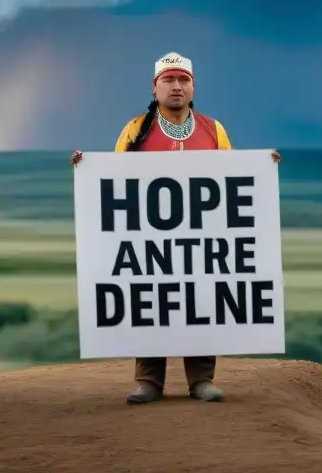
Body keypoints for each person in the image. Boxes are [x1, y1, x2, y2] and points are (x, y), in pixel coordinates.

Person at [72, 51, 280, 405]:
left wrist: (263, 167)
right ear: (155, 88)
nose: (176, 86)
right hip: (148, 235)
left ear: (193, 87)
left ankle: (201, 380)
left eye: (183, 80)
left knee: (201, 297)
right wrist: (85, 167)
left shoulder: (213, 130)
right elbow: (115, 178)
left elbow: (231, 178)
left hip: (200, 235)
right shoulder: (136, 129)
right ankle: (148, 382)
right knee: (150, 297)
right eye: (168, 80)